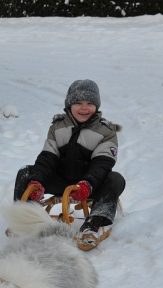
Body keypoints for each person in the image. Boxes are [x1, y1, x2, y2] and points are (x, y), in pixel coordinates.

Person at [13, 79, 125, 249]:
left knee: (115, 179)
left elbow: (102, 163)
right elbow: (48, 158)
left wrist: (88, 184)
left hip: (90, 184)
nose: (84, 108)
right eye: (78, 102)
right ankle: (26, 218)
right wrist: (38, 181)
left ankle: (94, 224)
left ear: (97, 105)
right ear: (68, 105)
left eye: (89, 103)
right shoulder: (58, 127)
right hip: (61, 179)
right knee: (26, 173)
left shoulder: (106, 131)